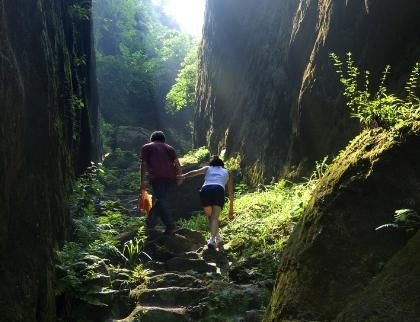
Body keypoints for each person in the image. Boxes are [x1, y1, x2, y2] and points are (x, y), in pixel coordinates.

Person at [177, 156, 234, 250]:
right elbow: (231, 192)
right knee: (215, 217)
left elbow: (195, 172)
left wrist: (184, 176)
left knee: (210, 217)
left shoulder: (208, 168)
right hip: (218, 189)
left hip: (205, 190)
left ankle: (218, 238)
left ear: (212, 164)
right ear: (222, 165)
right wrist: (231, 209)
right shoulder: (227, 172)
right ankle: (212, 239)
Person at [140, 131, 181, 234]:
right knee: (161, 199)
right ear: (164, 140)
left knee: (161, 199)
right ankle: (151, 222)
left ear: (151, 139)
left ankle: (170, 224)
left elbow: (144, 164)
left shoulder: (147, 147)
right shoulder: (170, 148)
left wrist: (142, 181)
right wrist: (180, 177)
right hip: (170, 177)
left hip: (156, 177)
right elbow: (177, 164)